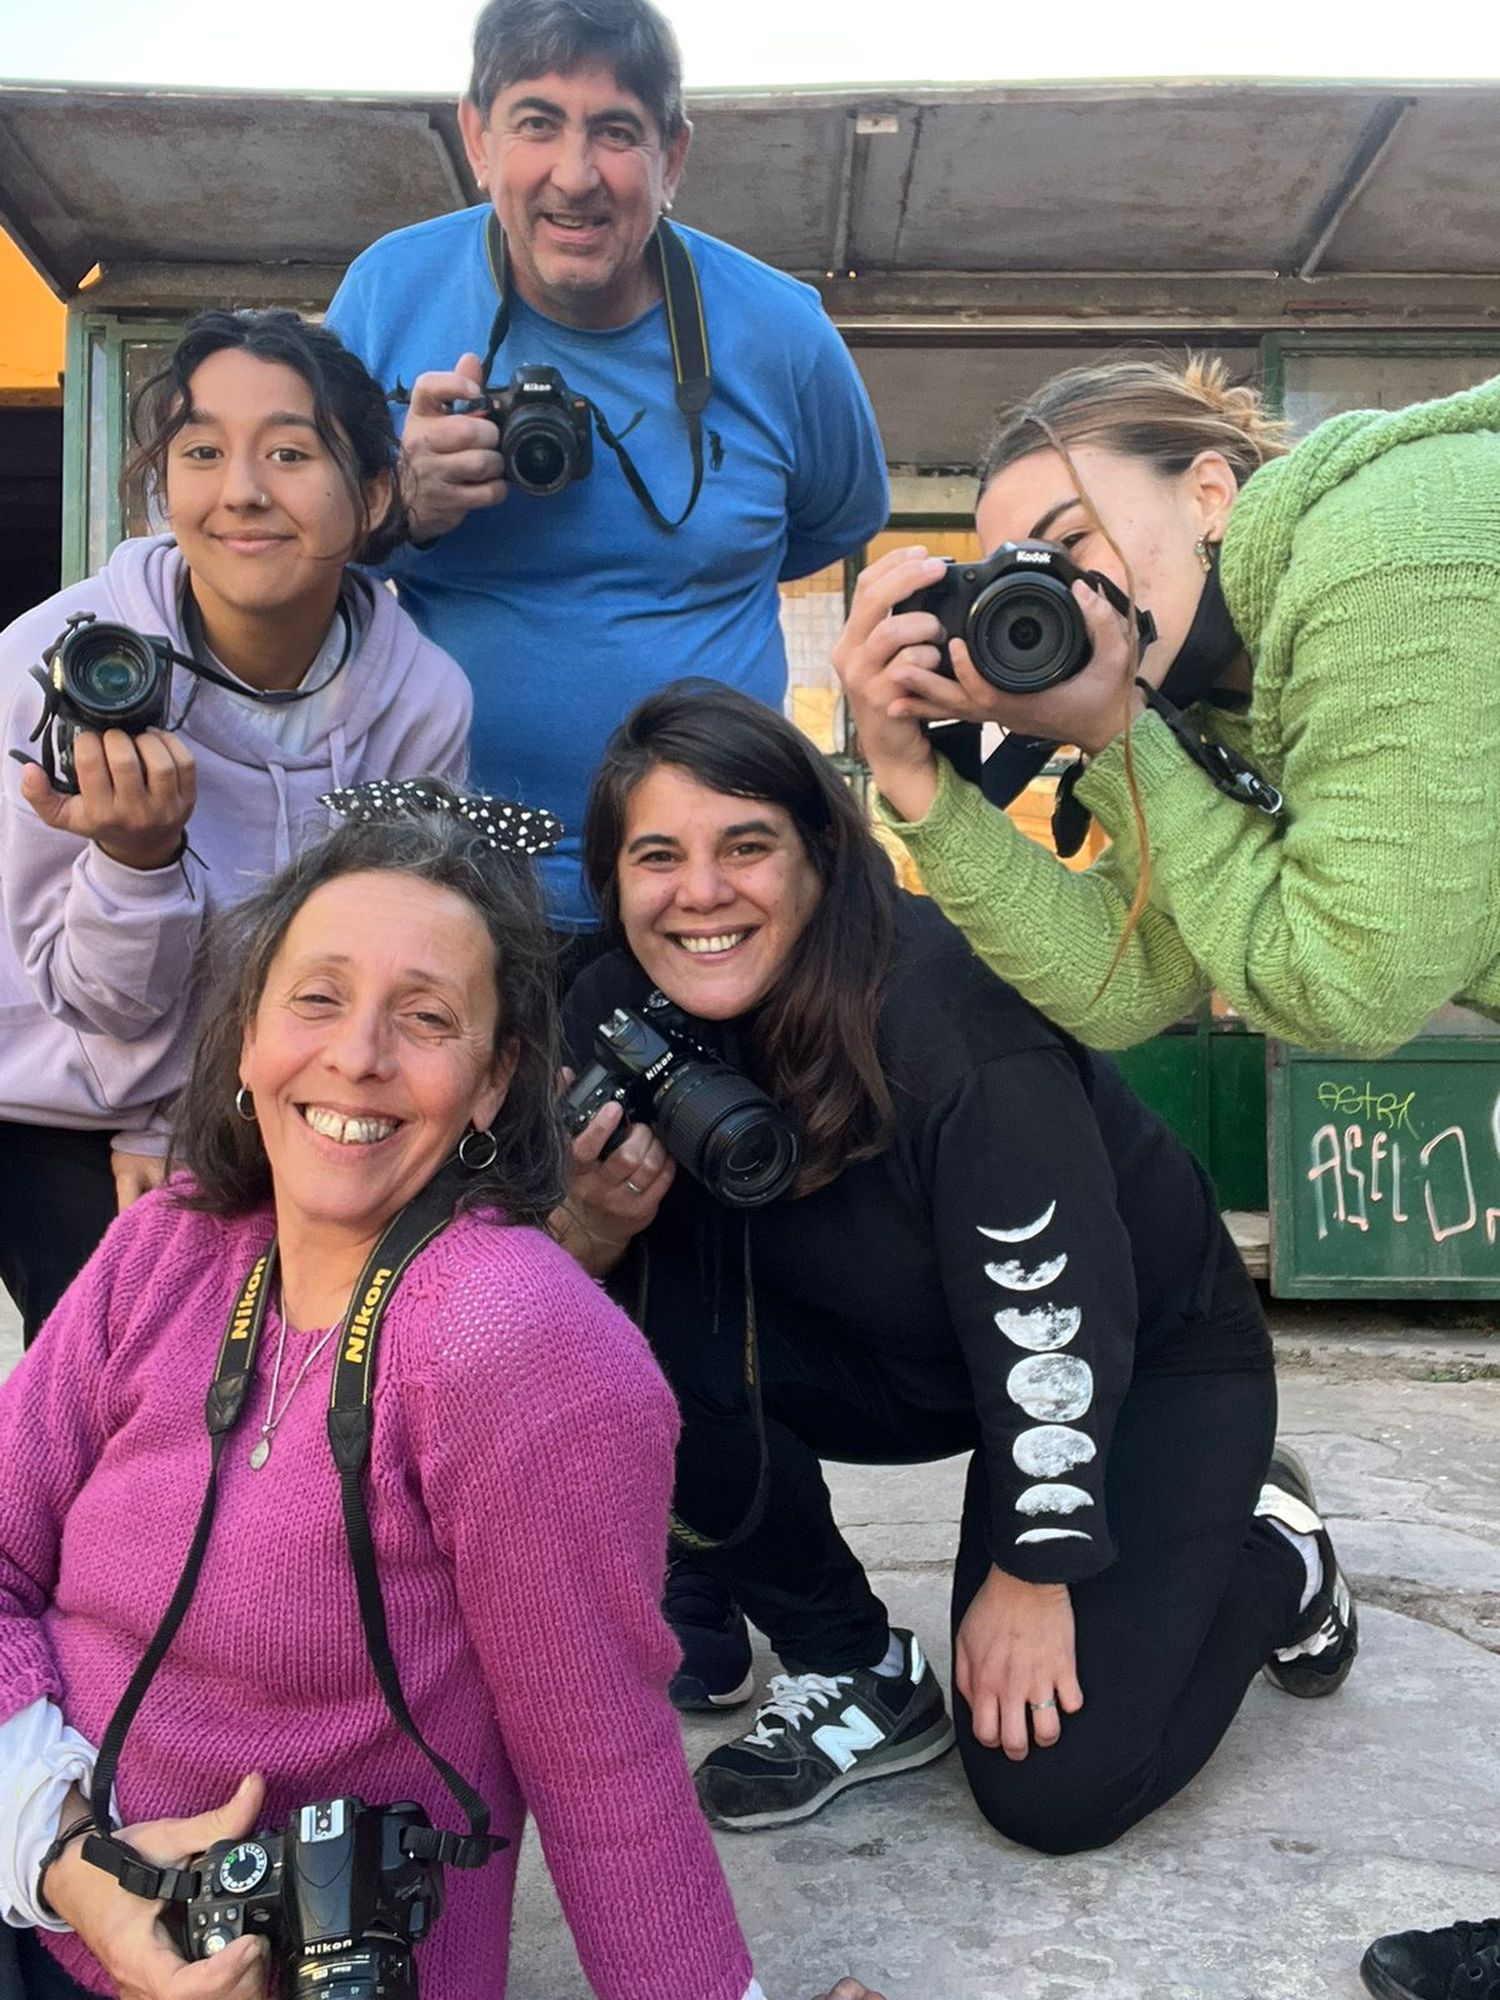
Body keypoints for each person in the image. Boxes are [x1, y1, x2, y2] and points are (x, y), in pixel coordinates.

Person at [0, 805, 886, 2000]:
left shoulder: (510, 1337)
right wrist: (69, 1861)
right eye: (317, 997)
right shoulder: (167, 1246)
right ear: (251, 1030)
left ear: (493, 1078)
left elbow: (604, 1762)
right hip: (41, 1878)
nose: (357, 1054)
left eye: (424, 1016)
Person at [555, 680, 1358, 1845]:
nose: (702, 893)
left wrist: (1036, 1571)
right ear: (613, 879)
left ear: (821, 855)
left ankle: (1272, 1553)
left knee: (1053, 1783)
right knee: (616, 1352)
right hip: (889, 1344)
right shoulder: (612, 1010)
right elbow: (545, 1299)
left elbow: (1062, 1316)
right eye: (657, 856)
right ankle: (857, 1665)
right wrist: (594, 1229)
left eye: (747, 846)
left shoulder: (948, 1018)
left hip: (1128, 1348)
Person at [323, 0, 888, 943]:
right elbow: (290, 570)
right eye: (536, 122)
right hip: (446, 883)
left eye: (616, 132)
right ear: (477, 136)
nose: (575, 177)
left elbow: (831, 527)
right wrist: (394, 507)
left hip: (709, 900)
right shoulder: (388, 292)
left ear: (672, 158)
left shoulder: (782, 331)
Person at [0, 308, 472, 1344]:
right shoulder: (57, 666)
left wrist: (201, 1119)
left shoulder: (420, 699)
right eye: (203, 450)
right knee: (130, 1354)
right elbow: (82, 997)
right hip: (65, 1098)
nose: (243, 490)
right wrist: (136, 861)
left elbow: (383, 953)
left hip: (275, 1094)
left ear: (377, 492)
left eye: (291, 452)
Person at [831, 355, 1500, 1058]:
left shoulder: (1389, 546)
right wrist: (909, 772)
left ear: (1208, 495)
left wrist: (1115, 733)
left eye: (1069, 545)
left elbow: (1349, 993)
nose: (1060, 597)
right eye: (1010, 579)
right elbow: (1124, 985)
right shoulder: (1221, 694)